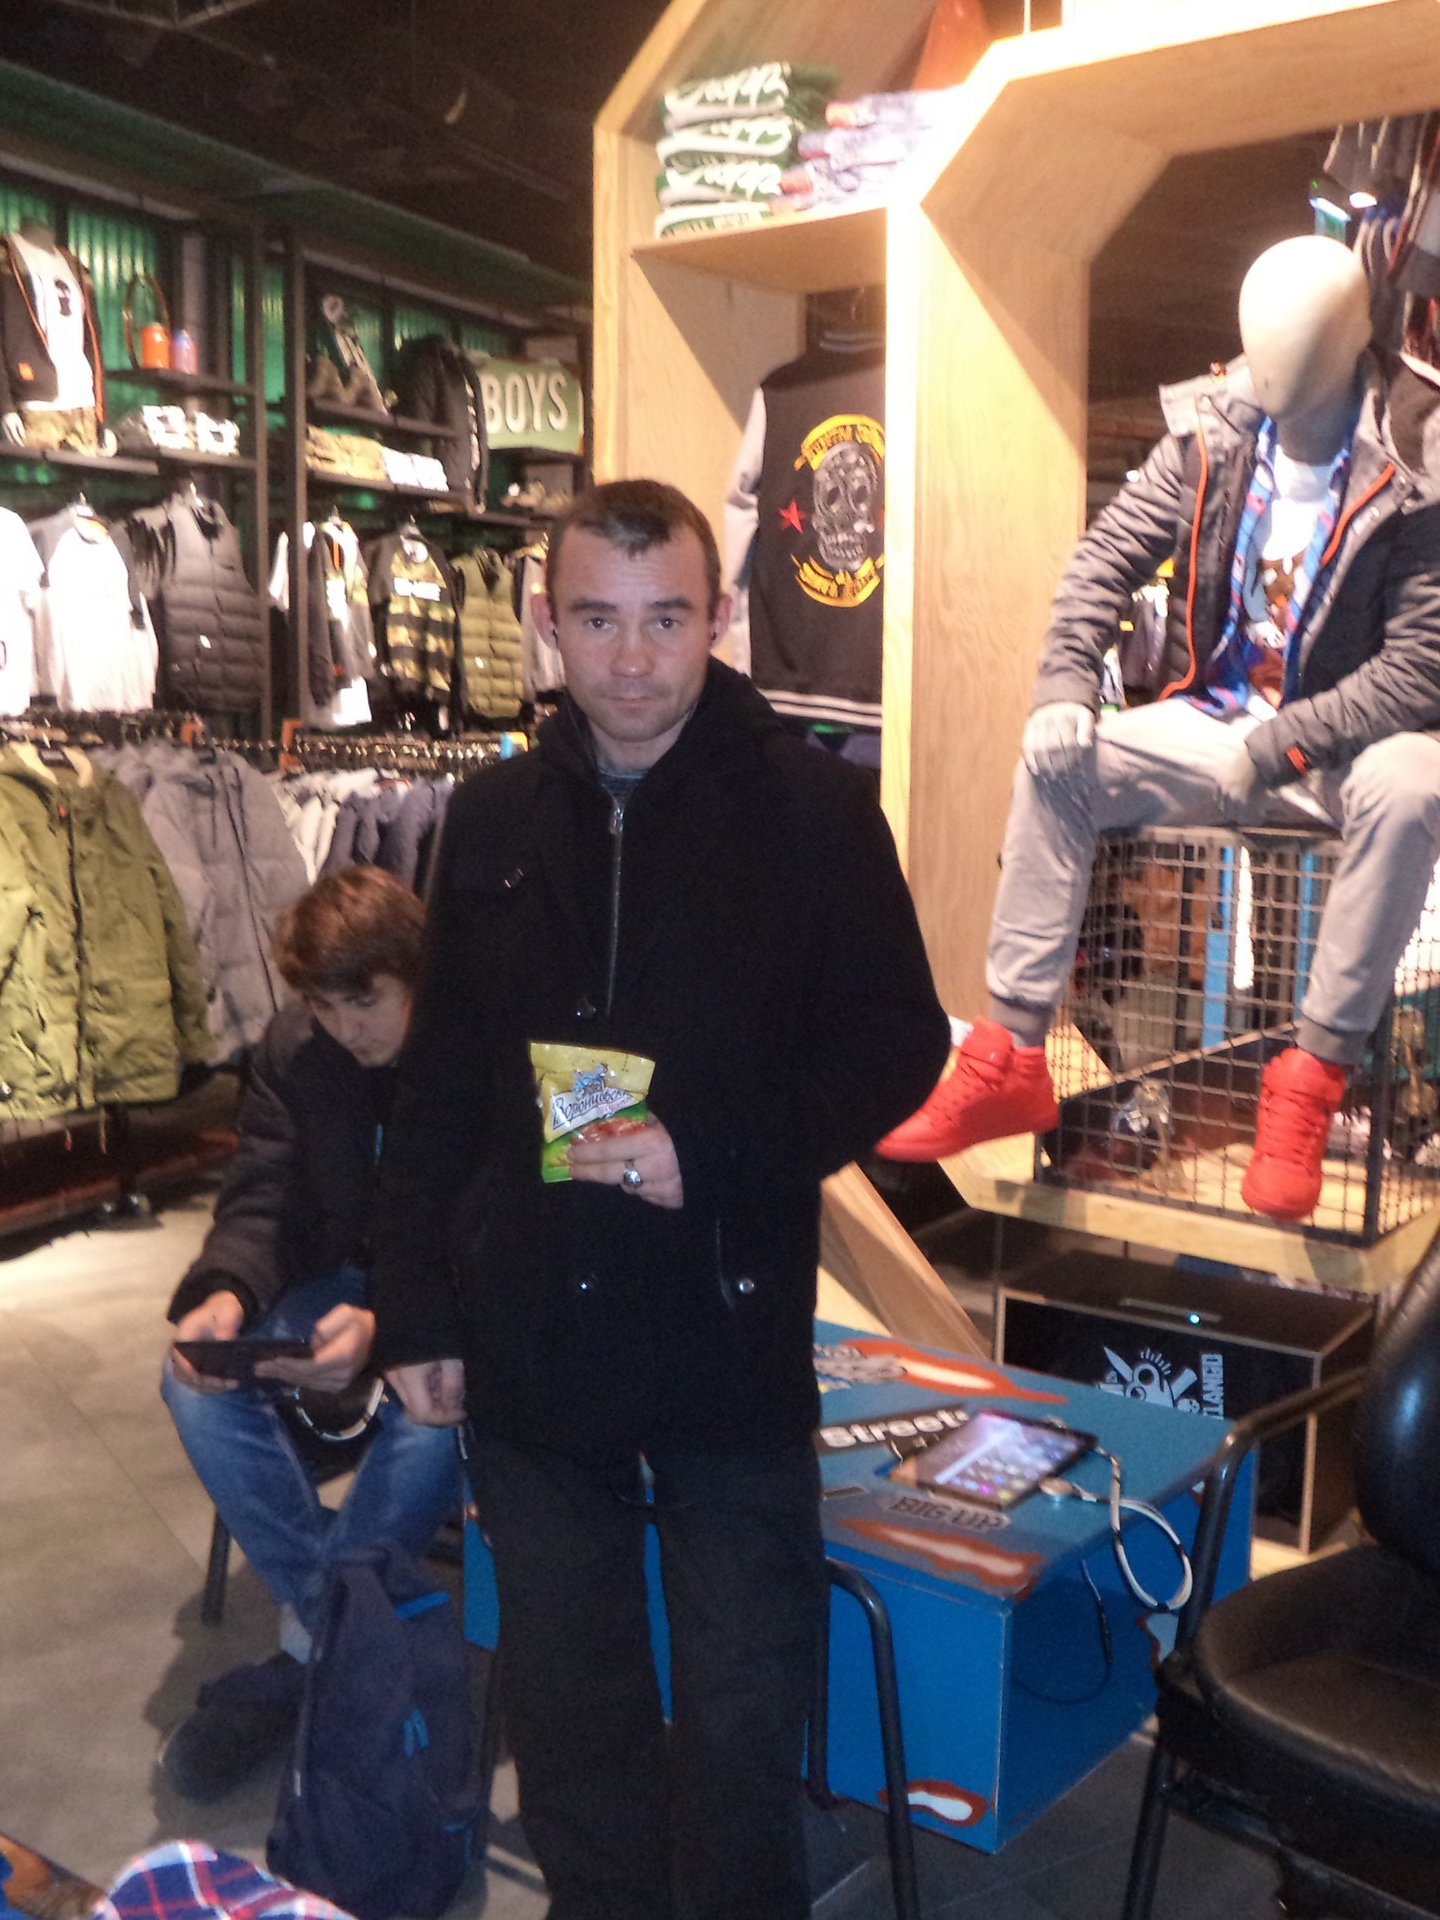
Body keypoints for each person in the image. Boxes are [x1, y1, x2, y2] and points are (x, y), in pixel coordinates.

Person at [367, 479, 946, 1919]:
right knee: (571, 1716)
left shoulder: (814, 810)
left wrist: (718, 1148)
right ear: (547, 623)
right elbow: (440, 1086)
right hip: (535, 1340)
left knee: (744, 1721)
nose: (632, 661)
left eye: (666, 620)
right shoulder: (490, 815)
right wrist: (416, 1307)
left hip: (726, 1333)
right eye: (599, 620)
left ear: (719, 618)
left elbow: (897, 1044)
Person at [877, 235, 1440, 1221]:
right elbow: (1104, 558)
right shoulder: (1217, 430)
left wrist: (1283, 743)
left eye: (1299, 359)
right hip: (1224, 717)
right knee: (1058, 762)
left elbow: (1428, 666)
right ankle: (1011, 1055)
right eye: (1263, 354)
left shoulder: (1423, 462)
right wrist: (1064, 686)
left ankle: (1311, 1080)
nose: (1274, 382)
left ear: (1356, 344)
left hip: (1367, 739)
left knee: (1413, 786)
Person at [157, 867, 463, 1800]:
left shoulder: (476, 1044)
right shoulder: (296, 1051)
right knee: (191, 1379)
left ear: (417, 974)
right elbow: (265, 1196)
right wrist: (226, 1293)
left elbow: (501, 1229)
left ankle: (308, 1655)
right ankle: (344, 1629)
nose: (346, 1028)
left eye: (365, 1002)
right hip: (335, 1285)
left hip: (451, 1299)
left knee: (434, 1415)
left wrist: (391, 1326)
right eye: (325, 1007)